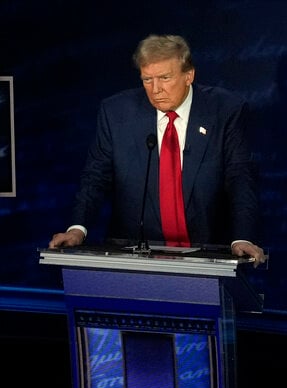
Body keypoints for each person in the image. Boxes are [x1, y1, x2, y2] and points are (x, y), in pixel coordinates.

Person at [48, 34, 266, 263]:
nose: (155, 89)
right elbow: (95, 176)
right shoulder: (116, 113)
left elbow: (240, 178)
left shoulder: (225, 110)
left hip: (207, 251)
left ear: (189, 75)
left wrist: (242, 238)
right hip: (134, 252)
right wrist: (77, 228)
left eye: (164, 77)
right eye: (147, 80)